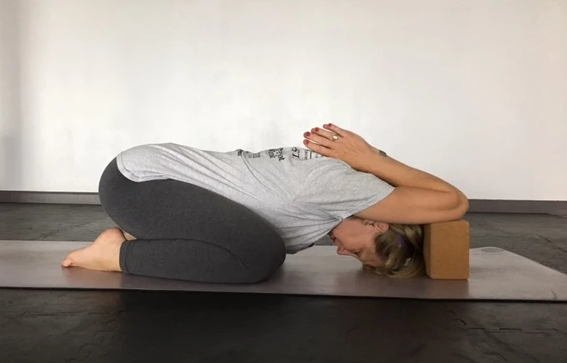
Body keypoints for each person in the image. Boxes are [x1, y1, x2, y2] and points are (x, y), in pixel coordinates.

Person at [62, 123, 468, 282]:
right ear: (379, 222)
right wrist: (372, 160)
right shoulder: (343, 186)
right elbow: (452, 202)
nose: (341, 251)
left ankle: (143, 237)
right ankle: (113, 255)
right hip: (139, 185)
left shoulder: (332, 203)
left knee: (262, 250)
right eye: (358, 250)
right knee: (260, 258)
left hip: (147, 186)